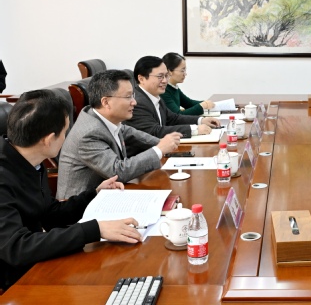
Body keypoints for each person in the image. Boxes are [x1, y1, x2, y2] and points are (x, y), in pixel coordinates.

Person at [0, 90, 142, 291]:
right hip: (16, 281)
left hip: (37, 262)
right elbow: (16, 247)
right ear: (48, 139)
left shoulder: (30, 160)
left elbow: (48, 213)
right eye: (65, 131)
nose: (67, 138)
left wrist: (94, 195)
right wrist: (95, 230)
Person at [57, 70, 182, 199]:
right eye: (128, 97)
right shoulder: (89, 133)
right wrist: (159, 149)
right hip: (81, 204)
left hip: (107, 193)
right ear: (106, 102)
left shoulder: (99, 116)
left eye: (133, 95)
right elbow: (117, 172)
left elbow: (127, 131)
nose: (134, 102)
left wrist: (160, 142)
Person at [124, 56, 220, 138]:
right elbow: (154, 131)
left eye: (166, 76)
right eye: (160, 76)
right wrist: (194, 129)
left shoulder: (155, 97)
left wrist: (201, 120)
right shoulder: (137, 102)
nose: (165, 81)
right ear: (141, 79)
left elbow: (173, 118)